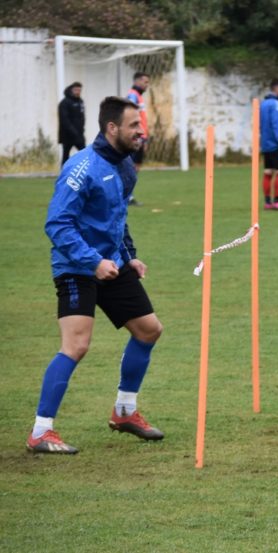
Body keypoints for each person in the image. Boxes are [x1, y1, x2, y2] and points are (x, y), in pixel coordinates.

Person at [26, 96, 164, 454]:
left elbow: (118, 218)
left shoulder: (126, 165)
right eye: (134, 125)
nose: (141, 131)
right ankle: (41, 432)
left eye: (141, 124)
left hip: (112, 263)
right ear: (112, 128)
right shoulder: (81, 168)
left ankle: (124, 411)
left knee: (149, 330)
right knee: (77, 345)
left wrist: (129, 257)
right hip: (77, 267)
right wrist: (92, 262)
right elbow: (57, 224)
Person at [260, 78, 278, 210]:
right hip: (275, 144)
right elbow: (276, 125)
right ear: (276, 88)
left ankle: (267, 202)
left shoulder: (263, 104)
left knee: (268, 171)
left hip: (265, 143)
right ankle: (277, 201)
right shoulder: (276, 105)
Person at [125, 72, 150, 206]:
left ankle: (129, 194)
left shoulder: (138, 96)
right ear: (137, 81)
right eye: (145, 82)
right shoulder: (132, 95)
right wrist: (137, 136)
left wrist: (145, 137)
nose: (147, 85)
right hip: (137, 137)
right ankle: (127, 195)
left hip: (142, 136)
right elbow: (131, 116)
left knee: (136, 166)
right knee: (131, 167)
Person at [58, 82, 85, 166]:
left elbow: (82, 117)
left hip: (79, 135)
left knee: (85, 154)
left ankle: (87, 173)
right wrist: (73, 132)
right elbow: (64, 120)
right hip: (67, 136)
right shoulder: (64, 103)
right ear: (71, 90)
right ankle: (64, 173)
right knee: (66, 155)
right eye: (76, 90)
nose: (78, 92)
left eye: (79, 90)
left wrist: (81, 130)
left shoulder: (81, 102)